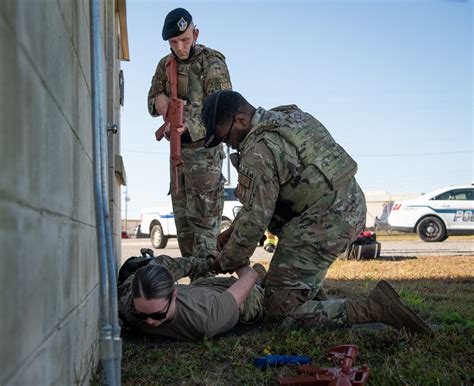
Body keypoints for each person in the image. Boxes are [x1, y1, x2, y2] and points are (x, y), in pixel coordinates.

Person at [200, 90, 431, 334]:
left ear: (241, 120)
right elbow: (268, 197)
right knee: (289, 281)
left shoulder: (258, 149)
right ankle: (313, 301)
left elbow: (257, 217)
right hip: (346, 207)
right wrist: (233, 232)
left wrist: (226, 260)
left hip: (323, 222)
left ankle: (375, 308)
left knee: (278, 315)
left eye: (227, 138)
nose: (230, 145)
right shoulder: (287, 117)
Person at [147, 8, 232, 261]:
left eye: (185, 40)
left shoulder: (212, 62)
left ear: (195, 34)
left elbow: (223, 112)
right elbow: (151, 103)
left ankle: (209, 294)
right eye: (174, 42)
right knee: (184, 232)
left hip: (205, 160)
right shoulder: (166, 65)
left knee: (205, 235)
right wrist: (159, 100)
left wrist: (190, 125)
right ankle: (195, 294)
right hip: (178, 161)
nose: (180, 47)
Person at [118, 254, 264, 341]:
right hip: (202, 288)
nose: (149, 321)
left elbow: (249, 276)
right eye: (141, 314)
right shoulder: (128, 303)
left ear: (173, 294)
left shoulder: (206, 318)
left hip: (246, 299)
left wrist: (228, 258)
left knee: (262, 288)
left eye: (158, 314)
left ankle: (262, 274)